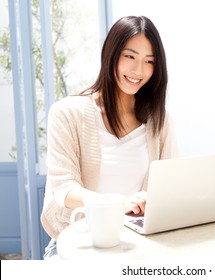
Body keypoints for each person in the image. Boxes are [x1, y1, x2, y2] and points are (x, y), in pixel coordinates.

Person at [41, 15, 179, 259]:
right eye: (130, 57)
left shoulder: (160, 119)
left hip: (136, 247)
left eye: (149, 61)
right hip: (76, 245)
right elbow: (64, 188)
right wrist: (116, 203)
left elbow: (171, 183)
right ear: (111, 54)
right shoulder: (67, 112)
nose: (139, 71)